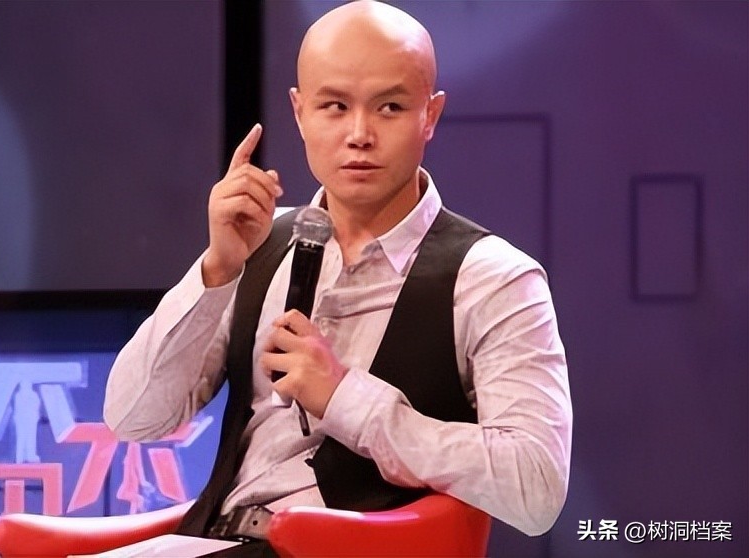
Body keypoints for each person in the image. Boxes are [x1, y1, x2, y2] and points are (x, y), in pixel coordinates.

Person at [104, 0, 572, 555]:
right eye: (334, 106)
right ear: (300, 112)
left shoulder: (493, 280)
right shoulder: (259, 241)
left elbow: (536, 485)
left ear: (430, 115)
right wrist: (218, 271)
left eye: (390, 107)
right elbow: (133, 418)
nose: (359, 134)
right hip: (214, 541)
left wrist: (345, 397)